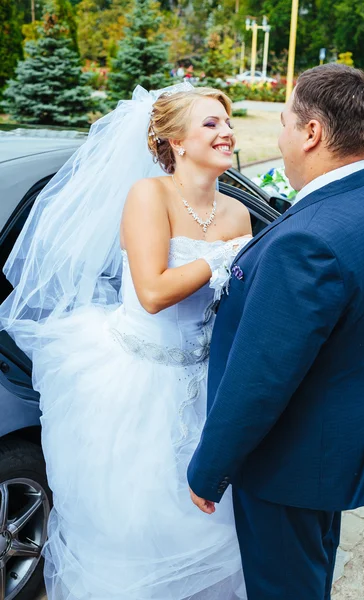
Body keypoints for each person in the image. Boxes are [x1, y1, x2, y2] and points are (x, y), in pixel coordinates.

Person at [0, 83, 251, 599]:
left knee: (211, 527)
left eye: (227, 122)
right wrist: (226, 258)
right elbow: (154, 291)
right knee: (137, 530)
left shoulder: (238, 214)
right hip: (137, 387)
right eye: (211, 123)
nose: (226, 132)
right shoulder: (148, 196)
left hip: (203, 385)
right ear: (177, 142)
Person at [188, 63, 364, 599]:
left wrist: (210, 469)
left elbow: (262, 377)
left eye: (283, 121)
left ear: (311, 133)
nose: (276, 135)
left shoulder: (308, 241)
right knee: (309, 579)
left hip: (288, 462)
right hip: (334, 448)